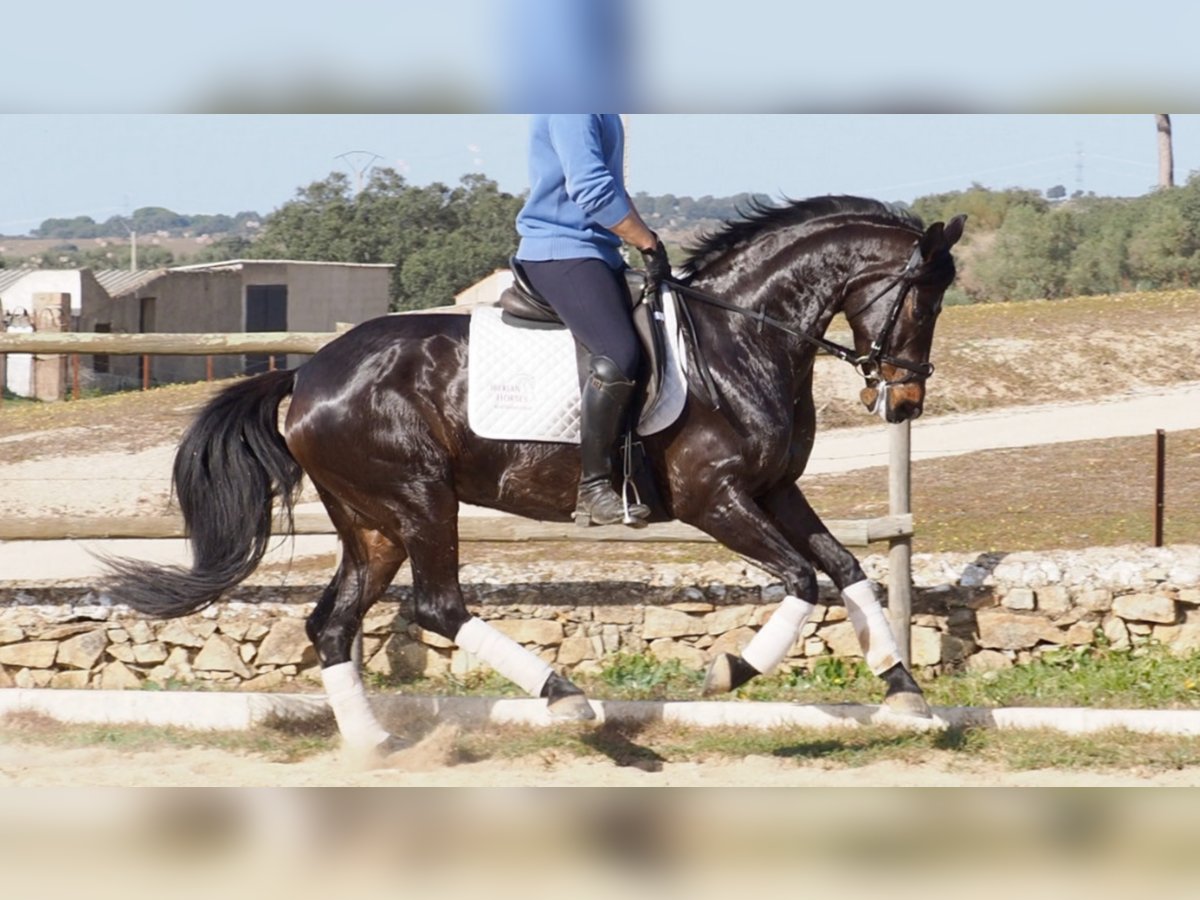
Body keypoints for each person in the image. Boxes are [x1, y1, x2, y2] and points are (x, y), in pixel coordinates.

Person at [514, 114, 671, 527]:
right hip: (561, 251)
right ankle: (594, 487)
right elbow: (591, 188)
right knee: (617, 353)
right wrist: (647, 242)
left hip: (596, 252)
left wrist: (644, 239)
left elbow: (613, 188)